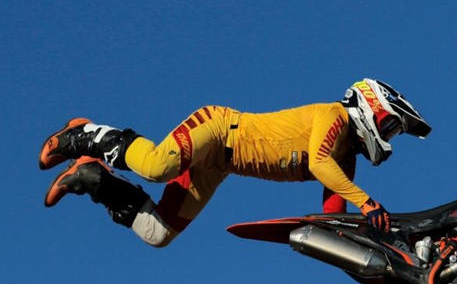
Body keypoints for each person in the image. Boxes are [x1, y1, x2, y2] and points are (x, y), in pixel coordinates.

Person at [40, 79, 431, 247]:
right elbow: (318, 163)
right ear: (370, 106)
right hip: (217, 129)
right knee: (158, 167)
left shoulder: (344, 161)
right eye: (391, 126)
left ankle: (93, 178)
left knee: (157, 234)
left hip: (218, 166)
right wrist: (368, 203)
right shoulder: (334, 117)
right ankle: (84, 132)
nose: (389, 138)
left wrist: (375, 253)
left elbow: (332, 220)